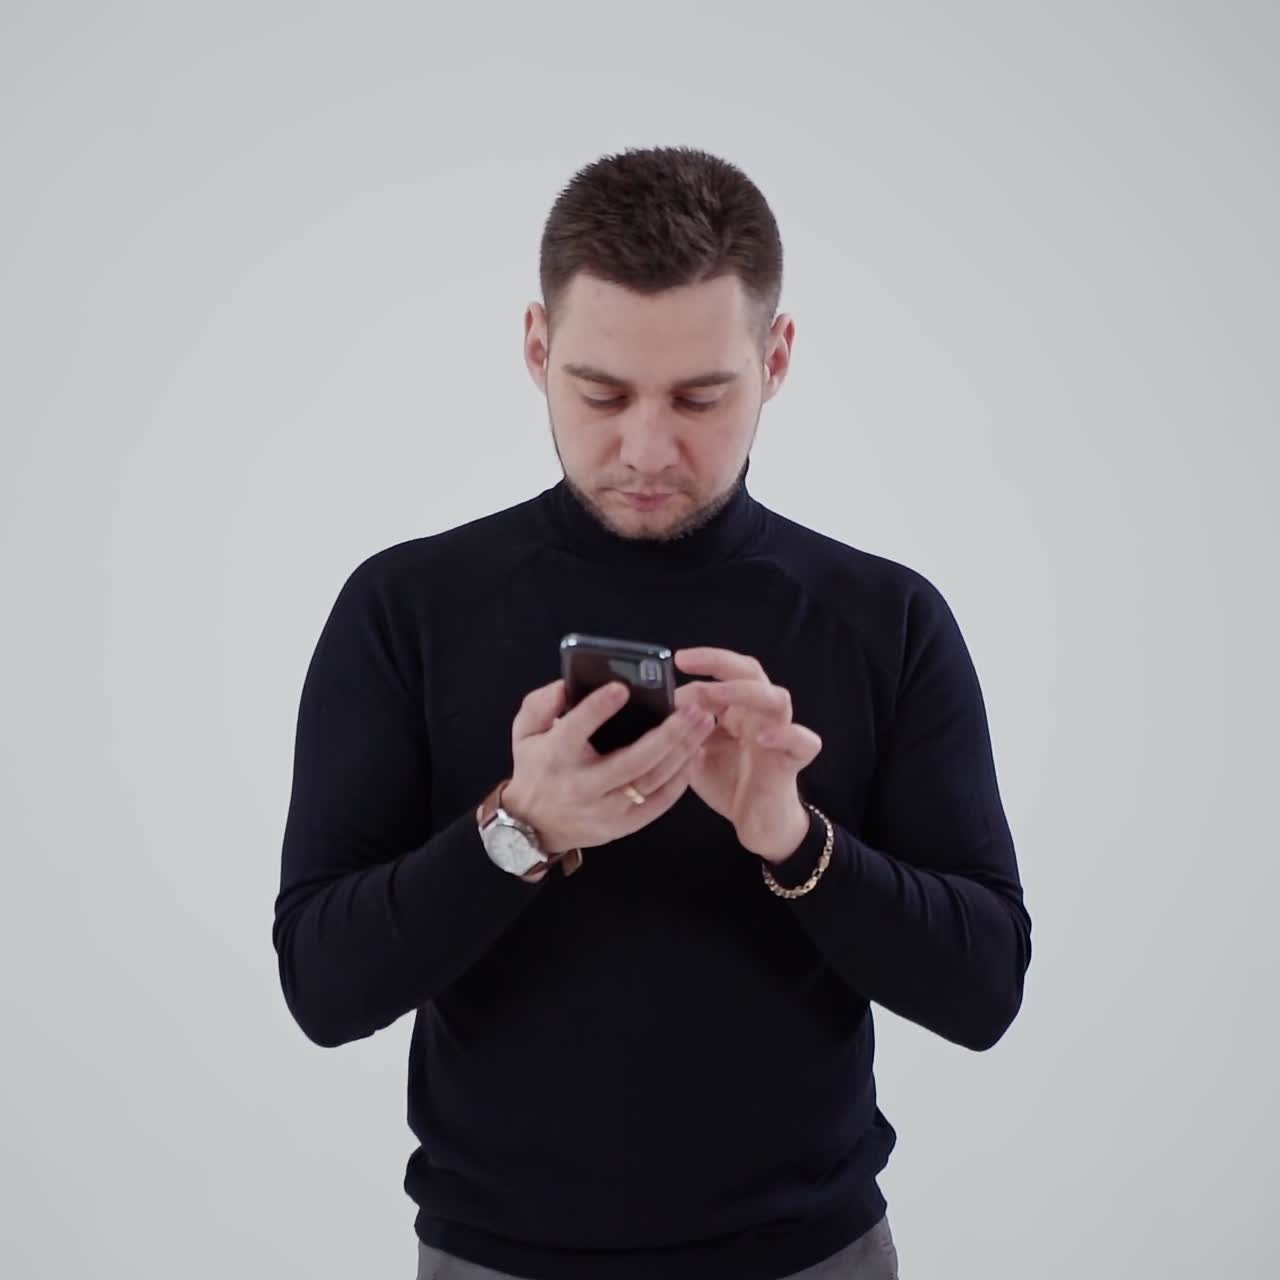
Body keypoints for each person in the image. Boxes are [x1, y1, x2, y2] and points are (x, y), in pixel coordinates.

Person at [273, 145, 1032, 1280]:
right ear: (536, 348)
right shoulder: (405, 606)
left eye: (697, 396)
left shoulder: (886, 619)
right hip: (497, 1258)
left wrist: (791, 835)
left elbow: (982, 992)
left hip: (811, 1255)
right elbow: (323, 989)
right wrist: (520, 829)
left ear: (775, 359)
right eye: (600, 392)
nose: (644, 448)